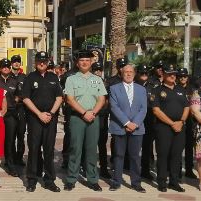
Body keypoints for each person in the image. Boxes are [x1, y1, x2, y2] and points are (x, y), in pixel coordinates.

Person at [63, 51, 107, 192]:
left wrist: (92, 112)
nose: (84, 62)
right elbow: (70, 99)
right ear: (77, 63)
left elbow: (102, 98)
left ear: (91, 62)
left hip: (93, 117)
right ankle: (71, 179)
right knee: (75, 148)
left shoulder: (97, 79)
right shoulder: (71, 79)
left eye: (87, 60)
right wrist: (84, 112)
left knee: (91, 150)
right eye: (81, 60)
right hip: (77, 117)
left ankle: (93, 179)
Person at [21, 51, 63, 192]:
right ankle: (32, 179)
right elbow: (26, 98)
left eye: (44, 61)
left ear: (47, 62)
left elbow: (59, 97)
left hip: (50, 119)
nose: (42, 63)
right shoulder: (30, 77)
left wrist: (50, 113)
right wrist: (39, 114)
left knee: (49, 150)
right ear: (36, 62)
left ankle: (49, 180)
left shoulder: (53, 77)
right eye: (39, 60)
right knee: (33, 149)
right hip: (34, 119)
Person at [107, 64, 148, 193]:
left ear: (134, 74)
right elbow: (114, 107)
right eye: (126, 72)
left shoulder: (141, 89)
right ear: (122, 73)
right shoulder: (114, 89)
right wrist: (126, 123)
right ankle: (116, 181)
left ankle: (136, 183)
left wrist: (134, 123)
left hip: (137, 128)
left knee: (135, 156)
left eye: (131, 72)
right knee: (118, 155)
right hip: (120, 127)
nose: (129, 74)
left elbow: (143, 109)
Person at [150, 66, 190, 192]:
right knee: (163, 154)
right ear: (164, 74)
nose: (173, 76)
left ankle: (174, 181)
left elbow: (187, 107)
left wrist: (181, 121)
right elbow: (156, 110)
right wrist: (172, 123)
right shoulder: (157, 90)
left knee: (176, 155)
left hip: (180, 126)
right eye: (170, 74)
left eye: (174, 74)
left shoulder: (181, 90)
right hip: (164, 127)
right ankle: (162, 181)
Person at [0, 58, 22, 177]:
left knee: (10, 140)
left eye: (7, 66)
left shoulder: (14, 81)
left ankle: (10, 164)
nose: (6, 68)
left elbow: (18, 95)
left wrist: (13, 102)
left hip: (11, 114)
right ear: (0, 68)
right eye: (3, 66)